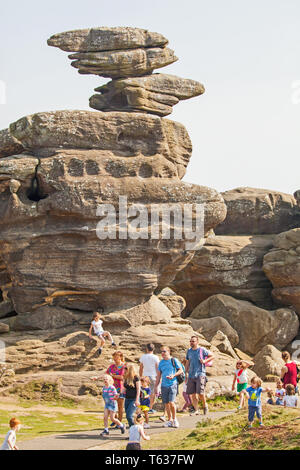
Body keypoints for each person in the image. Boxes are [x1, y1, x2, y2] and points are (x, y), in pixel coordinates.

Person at [154, 346, 183, 428]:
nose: (163, 353)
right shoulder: (161, 363)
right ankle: (169, 420)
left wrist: (173, 375)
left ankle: (175, 419)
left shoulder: (174, 360)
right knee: (166, 404)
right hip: (164, 385)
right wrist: (156, 386)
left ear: (169, 352)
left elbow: (180, 370)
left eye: (164, 351)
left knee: (171, 402)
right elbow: (158, 375)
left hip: (173, 384)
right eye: (161, 352)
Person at [185, 336, 214, 415]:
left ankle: (205, 405)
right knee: (193, 394)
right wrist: (185, 372)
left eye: (193, 341)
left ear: (197, 342)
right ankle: (196, 410)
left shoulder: (202, 350)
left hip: (200, 373)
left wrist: (205, 361)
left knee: (201, 393)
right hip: (191, 375)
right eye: (190, 341)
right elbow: (187, 362)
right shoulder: (189, 351)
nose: (191, 342)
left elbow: (212, 356)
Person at [106, 351, 126, 425]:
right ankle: (115, 418)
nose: (115, 358)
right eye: (114, 357)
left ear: (120, 357)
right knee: (112, 404)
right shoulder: (112, 366)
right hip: (112, 388)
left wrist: (113, 376)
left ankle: (119, 422)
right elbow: (107, 374)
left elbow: (122, 377)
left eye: (116, 357)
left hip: (120, 388)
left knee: (120, 405)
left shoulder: (124, 366)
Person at [139, 344, 159, 413]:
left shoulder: (143, 357)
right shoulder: (155, 357)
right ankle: (150, 408)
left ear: (147, 349)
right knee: (152, 393)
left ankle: (144, 406)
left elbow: (141, 367)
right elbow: (157, 367)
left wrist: (140, 376)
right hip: (153, 376)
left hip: (145, 376)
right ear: (153, 349)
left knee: (144, 392)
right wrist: (158, 376)